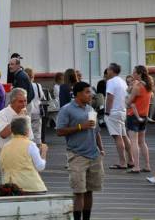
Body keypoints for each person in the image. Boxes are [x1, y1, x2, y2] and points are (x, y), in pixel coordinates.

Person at [56, 82, 105, 220]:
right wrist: (79, 127)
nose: (91, 95)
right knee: (79, 192)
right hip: (77, 155)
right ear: (78, 94)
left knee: (90, 191)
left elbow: (96, 131)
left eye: (91, 92)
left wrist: (101, 148)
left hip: (94, 155)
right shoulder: (67, 109)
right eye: (87, 92)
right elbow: (59, 131)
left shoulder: (90, 109)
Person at [0, 116, 48, 194]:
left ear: (12, 131)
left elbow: (2, 167)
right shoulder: (30, 145)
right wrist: (44, 152)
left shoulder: (5, 146)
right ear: (27, 131)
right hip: (30, 187)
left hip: (9, 187)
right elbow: (40, 167)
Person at [105, 63, 134, 170]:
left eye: (108, 69)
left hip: (113, 111)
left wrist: (107, 112)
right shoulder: (122, 81)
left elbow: (110, 97)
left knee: (117, 137)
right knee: (124, 136)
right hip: (122, 111)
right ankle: (131, 160)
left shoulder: (111, 82)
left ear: (112, 70)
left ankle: (122, 162)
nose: (107, 71)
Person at [126, 65, 152, 173]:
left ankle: (136, 166)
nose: (133, 74)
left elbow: (129, 102)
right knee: (142, 142)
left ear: (139, 74)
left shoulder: (138, 87)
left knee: (134, 142)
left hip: (133, 116)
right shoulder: (148, 86)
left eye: (134, 72)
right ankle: (147, 165)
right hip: (144, 115)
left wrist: (127, 100)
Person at [25, 68, 45, 146]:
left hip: (27, 110)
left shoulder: (25, 85)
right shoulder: (38, 85)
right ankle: (38, 148)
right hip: (37, 110)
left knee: (28, 130)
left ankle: (29, 147)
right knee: (37, 131)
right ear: (33, 76)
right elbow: (41, 96)